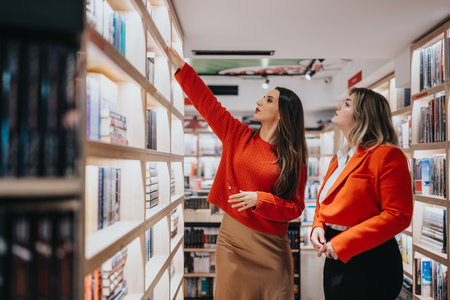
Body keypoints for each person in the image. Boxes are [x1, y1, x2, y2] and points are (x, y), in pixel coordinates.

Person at [167, 46, 306, 299]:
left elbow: (296, 207)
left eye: (268, 100)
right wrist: (181, 69)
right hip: (232, 242)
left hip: (273, 250)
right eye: (263, 98)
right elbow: (209, 105)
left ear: (283, 114)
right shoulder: (238, 135)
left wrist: (259, 200)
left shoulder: (294, 159)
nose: (259, 102)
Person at [310, 87, 413, 300]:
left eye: (347, 104)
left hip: (370, 260)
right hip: (334, 255)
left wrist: (342, 243)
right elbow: (325, 201)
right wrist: (317, 226)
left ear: (364, 116)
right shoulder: (340, 157)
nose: (339, 106)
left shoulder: (388, 155)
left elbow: (398, 215)